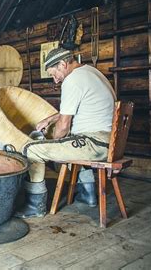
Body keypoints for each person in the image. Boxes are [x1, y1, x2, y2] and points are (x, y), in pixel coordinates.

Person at [16, 47, 116, 218]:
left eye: (54, 74)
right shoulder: (91, 73)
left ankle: (35, 206)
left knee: (31, 149)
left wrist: (52, 142)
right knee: (69, 142)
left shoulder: (73, 80)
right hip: (107, 142)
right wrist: (49, 120)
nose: (55, 80)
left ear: (63, 64)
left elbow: (63, 126)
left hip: (94, 144)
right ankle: (88, 194)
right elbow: (73, 109)